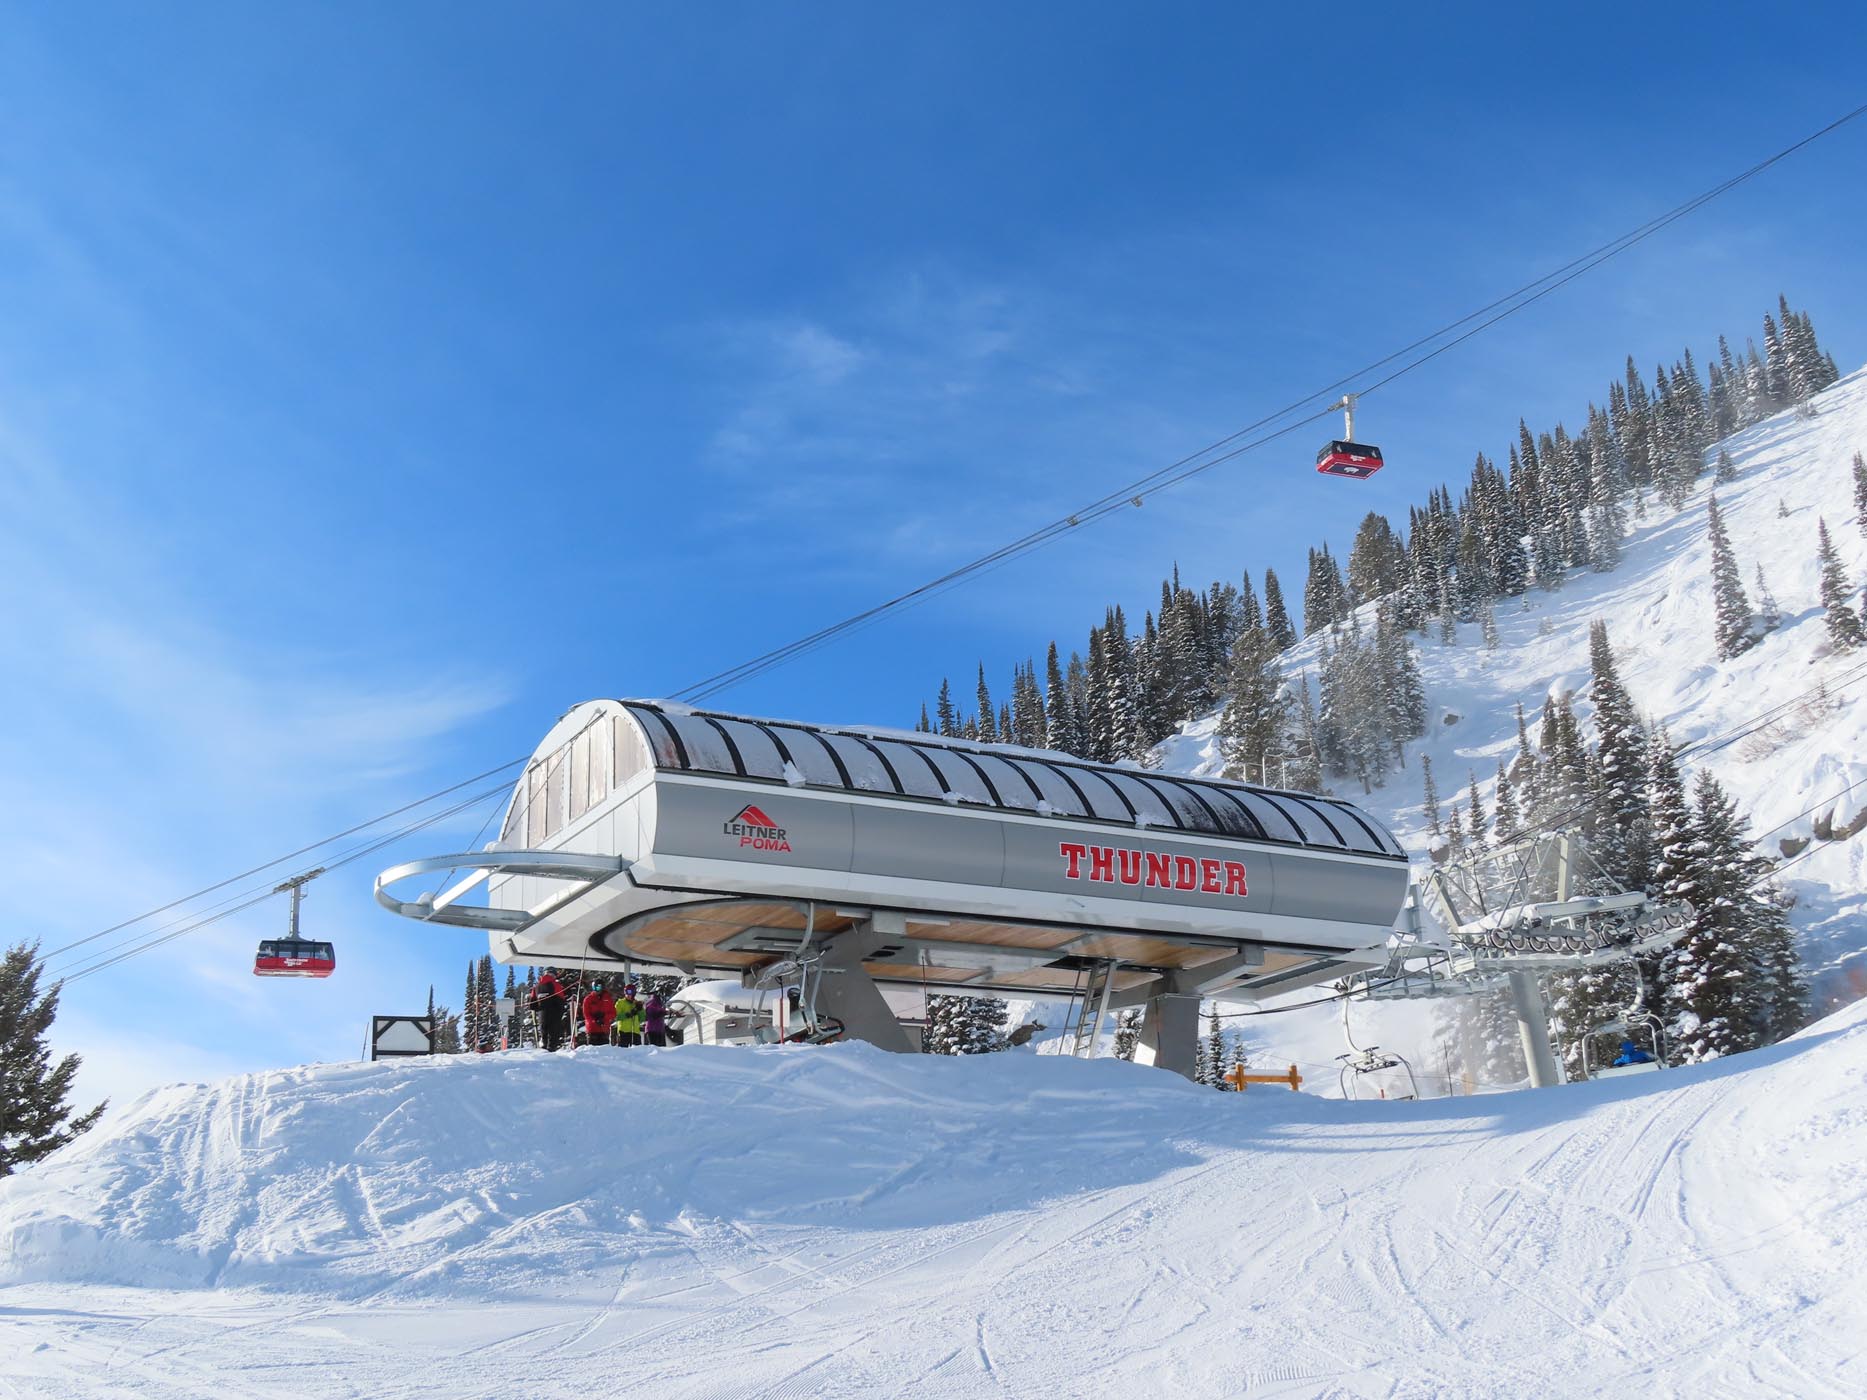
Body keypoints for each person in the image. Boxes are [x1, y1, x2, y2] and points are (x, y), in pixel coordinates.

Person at [529, 970, 569, 1052]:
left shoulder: (536, 987)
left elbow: (532, 1005)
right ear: (553, 975)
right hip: (554, 1013)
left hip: (542, 1014)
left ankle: (544, 1051)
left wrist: (540, 1007)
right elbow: (561, 1000)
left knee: (544, 1034)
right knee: (553, 1034)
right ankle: (551, 1052)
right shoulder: (555, 985)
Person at [581, 980, 617, 1048]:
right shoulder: (588, 999)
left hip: (604, 1029)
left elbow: (613, 1013)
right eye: (596, 988)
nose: (598, 990)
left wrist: (604, 1017)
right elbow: (586, 1014)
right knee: (593, 1049)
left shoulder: (608, 999)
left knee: (604, 1049)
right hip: (592, 1030)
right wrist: (595, 1020)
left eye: (600, 988)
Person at [613, 984, 644, 1048]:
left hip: (635, 1033)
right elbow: (616, 1016)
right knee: (624, 1053)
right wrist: (628, 1014)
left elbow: (642, 1019)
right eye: (627, 992)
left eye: (631, 992)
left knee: (637, 1054)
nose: (628, 995)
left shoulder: (636, 1003)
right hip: (624, 1032)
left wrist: (640, 1010)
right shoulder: (620, 1003)